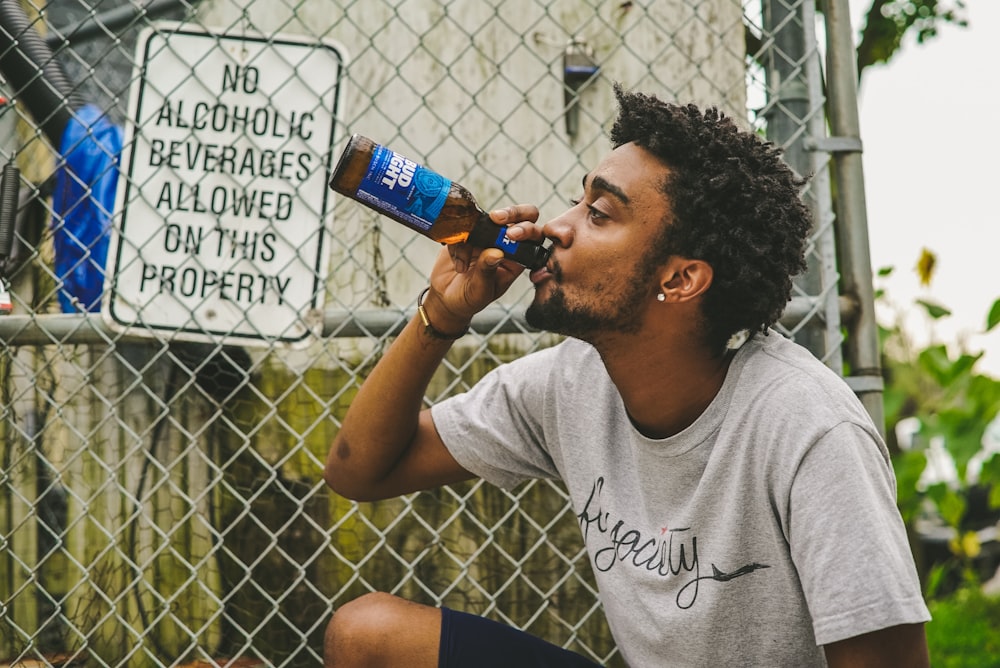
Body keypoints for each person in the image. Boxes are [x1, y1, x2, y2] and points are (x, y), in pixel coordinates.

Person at [322, 85, 931, 667]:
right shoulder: (571, 383)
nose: (558, 226)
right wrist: (442, 315)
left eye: (599, 214)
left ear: (680, 279)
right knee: (368, 636)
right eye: (577, 200)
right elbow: (359, 470)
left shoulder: (808, 428)